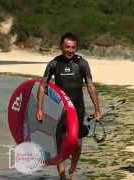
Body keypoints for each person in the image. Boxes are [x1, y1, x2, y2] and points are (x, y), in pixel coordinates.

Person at [36, 32, 102, 179]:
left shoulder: (82, 63)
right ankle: (62, 176)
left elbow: (90, 87)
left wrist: (97, 110)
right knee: (61, 143)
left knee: (77, 143)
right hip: (59, 109)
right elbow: (42, 86)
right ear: (61, 46)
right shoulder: (54, 63)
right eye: (67, 47)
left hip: (77, 108)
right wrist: (39, 108)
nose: (70, 50)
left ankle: (73, 168)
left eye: (73, 47)